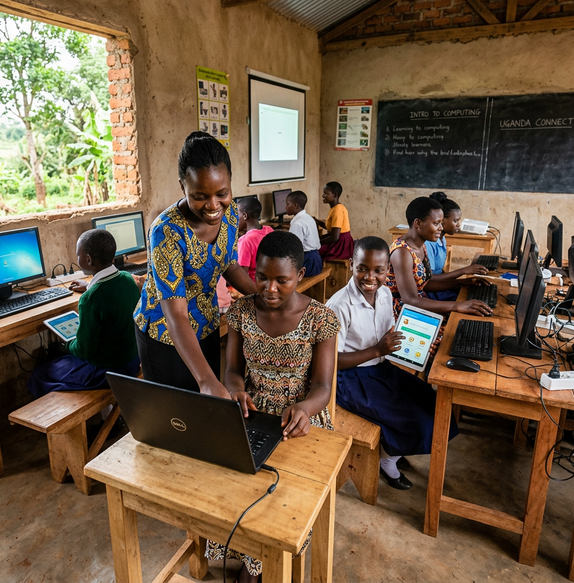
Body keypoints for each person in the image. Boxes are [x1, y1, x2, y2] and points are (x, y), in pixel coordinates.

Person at [206, 230, 340, 583]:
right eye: (261, 277)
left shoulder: (320, 318)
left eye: (282, 280)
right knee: (234, 485)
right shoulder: (241, 312)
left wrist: (305, 408)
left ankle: (260, 566)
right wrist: (234, 390)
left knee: (281, 500)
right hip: (251, 412)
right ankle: (250, 558)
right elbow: (233, 371)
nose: (269, 288)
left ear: (299, 276)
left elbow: (323, 386)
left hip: (299, 418)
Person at [327, 236, 458, 490]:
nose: (369, 277)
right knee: (417, 422)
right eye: (362, 268)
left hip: (380, 368)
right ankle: (386, 459)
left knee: (437, 406)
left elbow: (388, 334)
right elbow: (330, 362)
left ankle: (394, 451)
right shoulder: (339, 305)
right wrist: (377, 349)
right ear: (351, 264)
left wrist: (416, 346)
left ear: (388, 270)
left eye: (378, 270)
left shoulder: (385, 293)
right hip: (349, 379)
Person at [134, 131, 257, 398]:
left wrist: (263, 297)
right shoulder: (166, 232)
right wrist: (206, 381)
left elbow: (229, 264)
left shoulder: (231, 212)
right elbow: (175, 314)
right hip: (165, 333)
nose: (214, 205)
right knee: (176, 416)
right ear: (183, 186)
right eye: (200, 196)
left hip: (206, 322)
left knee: (207, 409)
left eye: (222, 193)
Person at [28, 229, 141, 398]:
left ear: (88, 259)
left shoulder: (91, 298)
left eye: (78, 255)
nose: (78, 259)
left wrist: (67, 343)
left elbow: (84, 350)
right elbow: (110, 292)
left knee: (42, 372)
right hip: (132, 362)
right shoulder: (127, 279)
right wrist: (89, 286)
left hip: (107, 371)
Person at [385, 196, 493, 321]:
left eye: (441, 223)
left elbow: (426, 284)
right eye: (436, 224)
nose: (441, 228)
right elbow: (410, 300)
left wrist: (463, 282)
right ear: (418, 223)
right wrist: (456, 306)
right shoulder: (402, 252)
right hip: (402, 314)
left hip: (418, 306)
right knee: (457, 328)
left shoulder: (420, 247)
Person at [425, 191, 488, 301]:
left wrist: (461, 282)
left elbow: (439, 272)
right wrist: (463, 271)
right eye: (455, 221)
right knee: (470, 300)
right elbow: (429, 279)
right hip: (431, 293)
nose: (458, 225)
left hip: (439, 287)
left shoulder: (442, 238)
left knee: (473, 292)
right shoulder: (428, 243)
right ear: (441, 219)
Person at [285, 190, 323, 276]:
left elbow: (294, 248)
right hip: (316, 259)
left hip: (307, 261)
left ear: (295, 205)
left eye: (287, 204)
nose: (285, 207)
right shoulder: (308, 218)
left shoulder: (298, 223)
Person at [236, 196, 273, 281]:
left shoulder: (245, 241)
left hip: (254, 286)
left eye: (236, 214)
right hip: (268, 281)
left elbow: (241, 276)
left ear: (245, 216)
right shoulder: (269, 230)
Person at [316, 181, 354, 261]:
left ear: (335, 195)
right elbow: (332, 228)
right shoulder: (335, 208)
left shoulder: (338, 210)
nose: (323, 196)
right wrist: (318, 222)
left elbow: (334, 237)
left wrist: (318, 242)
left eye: (326, 193)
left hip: (340, 245)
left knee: (315, 253)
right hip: (337, 240)